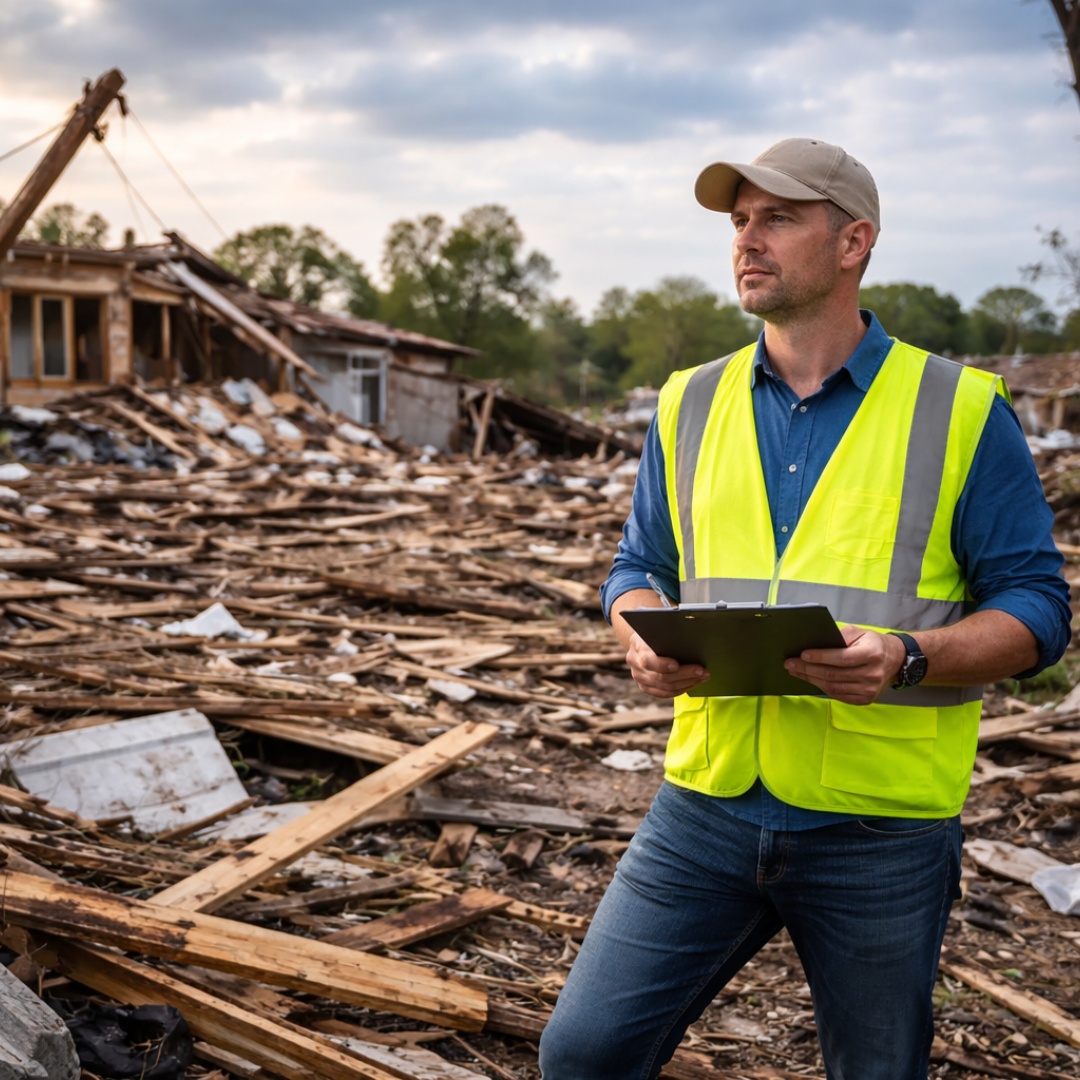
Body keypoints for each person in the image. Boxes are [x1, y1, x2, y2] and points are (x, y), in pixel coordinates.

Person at [538, 138, 1072, 1080]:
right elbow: (636, 567)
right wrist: (639, 632)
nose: (747, 239)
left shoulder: (958, 407)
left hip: (881, 829)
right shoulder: (685, 403)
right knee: (582, 1056)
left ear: (854, 240)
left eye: (777, 217)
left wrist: (906, 657)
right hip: (704, 806)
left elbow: (1039, 612)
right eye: (739, 221)